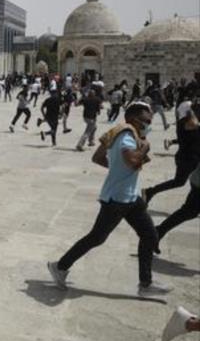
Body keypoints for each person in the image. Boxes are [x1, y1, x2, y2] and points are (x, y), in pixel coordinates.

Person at [48, 103, 171, 297]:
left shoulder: (119, 132)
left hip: (132, 197)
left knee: (149, 236)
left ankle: (146, 285)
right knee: (97, 237)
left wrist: (115, 168)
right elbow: (131, 161)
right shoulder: (126, 137)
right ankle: (60, 266)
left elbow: (97, 157)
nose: (149, 124)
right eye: (147, 121)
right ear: (133, 119)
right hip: (118, 200)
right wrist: (144, 148)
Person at [143, 100, 199, 204]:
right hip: (187, 159)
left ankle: (191, 206)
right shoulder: (186, 123)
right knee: (179, 182)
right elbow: (193, 127)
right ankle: (150, 191)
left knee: (187, 183)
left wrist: (172, 141)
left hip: (191, 158)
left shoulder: (187, 123)